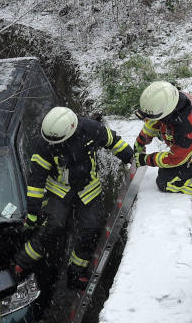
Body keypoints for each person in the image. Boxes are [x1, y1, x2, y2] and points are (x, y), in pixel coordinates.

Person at [16, 107, 134, 293]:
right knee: (53, 226)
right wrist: (33, 212)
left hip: (88, 188)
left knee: (92, 228)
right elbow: (36, 181)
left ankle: (76, 272)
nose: (52, 144)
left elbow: (112, 141)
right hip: (60, 190)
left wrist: (131, 156)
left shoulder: (90, 129)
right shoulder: (45, 143)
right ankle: (21, 263)